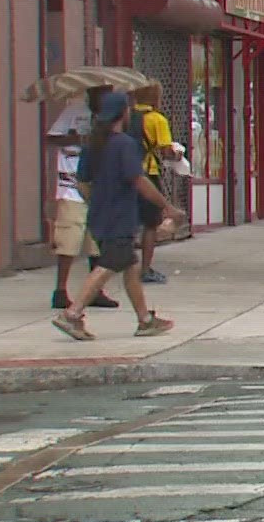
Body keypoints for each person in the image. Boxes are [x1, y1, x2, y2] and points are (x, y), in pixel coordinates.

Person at [51, 92, 184, 340]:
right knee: (108, 266)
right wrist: (167, 206)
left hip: (100, 216)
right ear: (123, 113)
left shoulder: (94, 144)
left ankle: (144, 319)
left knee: (130, 266)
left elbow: (82, 182)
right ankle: (72, 314)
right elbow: (138, 179)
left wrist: (96, 201)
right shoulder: (124, 144)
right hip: (119, 217)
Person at [46, 86, 119, 310]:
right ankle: (60, 290)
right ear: (91, 95)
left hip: (99, 185)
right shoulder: (74, 111)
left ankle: (95, 290)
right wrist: (76, 138)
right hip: (72, 184)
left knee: (96, 243)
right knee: (69, 239)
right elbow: (51, 138)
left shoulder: (110, 118)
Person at [124, 83, 177, 285]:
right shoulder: (157, 119)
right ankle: (145, 269)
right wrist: (176, 153)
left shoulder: (126, 117)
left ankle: (124, 264)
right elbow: (165, 151)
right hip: (148, 173)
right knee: (150, 224)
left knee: (129, 222)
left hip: (125, 175)